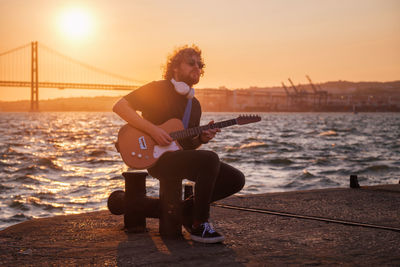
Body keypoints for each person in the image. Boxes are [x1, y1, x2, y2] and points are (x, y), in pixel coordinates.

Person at [113, 45, 245, 243]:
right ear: (175, 67)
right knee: (211, 158)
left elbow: (186, 147)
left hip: (177, 157)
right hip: (157, 160)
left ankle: (185, 211)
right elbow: (120, 106)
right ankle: (199, 224)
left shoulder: (194, 105)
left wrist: (201, 139)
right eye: (191, 63)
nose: (197, 68)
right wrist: (153, 130)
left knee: (235, 179)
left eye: (200, 65)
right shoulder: (157, 89)